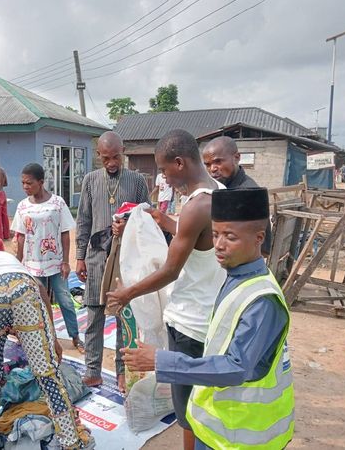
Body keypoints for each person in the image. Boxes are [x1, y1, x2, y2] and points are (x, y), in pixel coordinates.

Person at [121, 188, 294, 449]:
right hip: (220, 426)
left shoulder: (261, 300)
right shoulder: (235, 277)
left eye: (230, 236)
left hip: (241, 436)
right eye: (215, 234)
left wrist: (161, 359)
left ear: (259, 238)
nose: (219, 244)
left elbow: (236, 368)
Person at [107, 129, 226, 450]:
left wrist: (127, 293)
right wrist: (165, 221)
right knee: (207, 398)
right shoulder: (219, 192)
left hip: (189, 321)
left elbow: (170, 270)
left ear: (179, 162)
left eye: (164, 170)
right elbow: (202, 239)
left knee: (188, 407)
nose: (164, 177)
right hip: (213, 314)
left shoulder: (196, 206)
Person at [0, 251, 93, 450]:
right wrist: (51, 337)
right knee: (48, 375)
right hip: (24, 288)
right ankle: (70, 441)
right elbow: (40, 290)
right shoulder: (1, 258)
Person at [76, 131, 150, 392]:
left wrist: (129, 225)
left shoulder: (137, 181)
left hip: (125, 260)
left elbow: (147, 217)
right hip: (96, 259)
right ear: (99, 155)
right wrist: (79, 257)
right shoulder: (90, 180)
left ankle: (122, 372)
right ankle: (92, 371)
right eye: (106, 158)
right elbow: (83, 219)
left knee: (123, 317)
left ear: (124, 151)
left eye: (116, 157)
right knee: (94, 316)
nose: (111, 163)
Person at [12, 163, 84, 353]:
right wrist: (18, 262)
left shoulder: (57, 203)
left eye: (29, 183)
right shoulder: (22, 206)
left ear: (41, 182)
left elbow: (65, 233)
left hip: (56, 263)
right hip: (32, 264)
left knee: (65, 300)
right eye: (23, 183)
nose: (25, 187)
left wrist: (67, 261)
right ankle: (46, 338)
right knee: (36, 303)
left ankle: (75, 336)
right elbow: (20, 235)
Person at [201, 136, 272, 255]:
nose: (212, 169)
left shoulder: (248, 194)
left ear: (237, 158)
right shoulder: (221, 189)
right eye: (208, 165)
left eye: (218, 161)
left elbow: (263, 248)